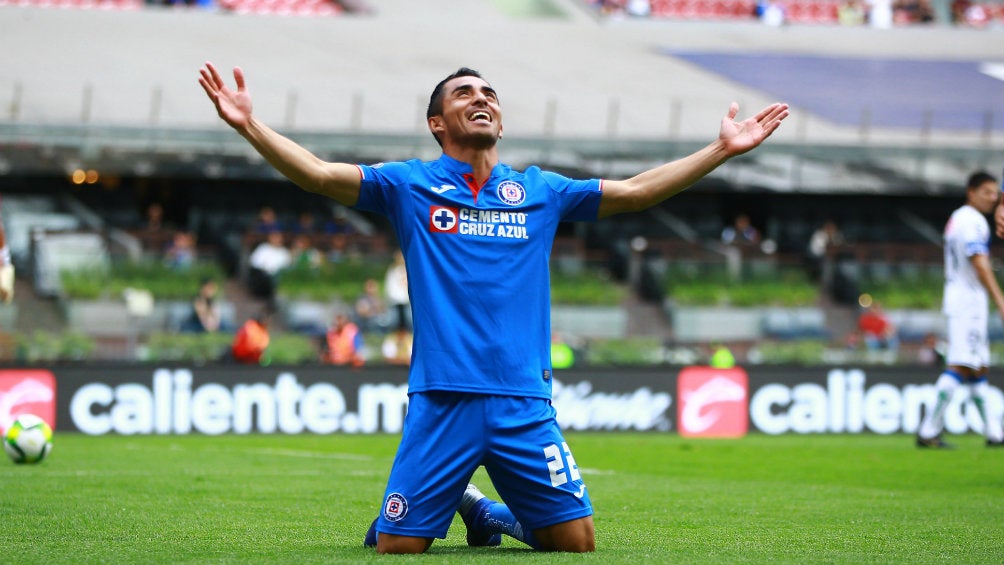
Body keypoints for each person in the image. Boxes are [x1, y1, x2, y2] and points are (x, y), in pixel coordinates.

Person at [199, 61, 787, 554]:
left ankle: (484, 510)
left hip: (523, 400)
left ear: (499, 119)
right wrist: (250, 126)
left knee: (576, 543)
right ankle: (443, 500)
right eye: (463, 93)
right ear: (437, 123)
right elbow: (321, 176)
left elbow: (634, 192)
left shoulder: (541, 191)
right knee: (397, 549)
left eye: (488, 94)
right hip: (443, 396)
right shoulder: (409, 184)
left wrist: (721, 150)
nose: (480, 98)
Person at [917, 171, 1004, 449]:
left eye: (995, 193)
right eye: (987, 192)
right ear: (971, 191)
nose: (993, 198)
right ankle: (928, 430)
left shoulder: (958, 218)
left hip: (963, 298)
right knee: (960, 364)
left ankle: (995, 434)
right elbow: (979, 262)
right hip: (968, 301)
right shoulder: (972, 221)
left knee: (977, 367)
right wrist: (1000, 300)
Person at [247, 228, 292, 301]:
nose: (276, 239)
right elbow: (254, 263)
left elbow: (288, 265)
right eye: (274, 237)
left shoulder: (284, 252)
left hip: (280, 275)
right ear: (269, 238)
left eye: (278, 237)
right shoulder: (263, 248)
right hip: (265, 275)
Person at [384, 249, 410, 332]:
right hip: (395, 299)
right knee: (395, 321)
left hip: (406, 299)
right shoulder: (392, 270)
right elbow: (389, 284)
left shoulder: (407, 269)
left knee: (408, 320)